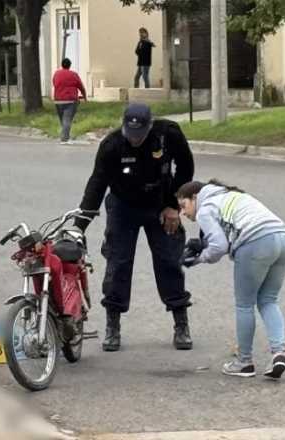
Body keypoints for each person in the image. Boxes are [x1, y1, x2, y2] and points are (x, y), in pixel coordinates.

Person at [73, 102, 194, 352]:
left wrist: (174, 205)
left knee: (169, 261)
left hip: (161, 204)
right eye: (131, 134)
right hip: (123, 206)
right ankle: (112, 325)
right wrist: (78, 227)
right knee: (118, 264)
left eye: (140, 135)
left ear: (150, 127)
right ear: (123, 126)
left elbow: (186, 167)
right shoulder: (112, 145)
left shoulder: (168, 134)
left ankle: (181, 323)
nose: (135, 139)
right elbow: (96, 185)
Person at [177, 180, 285, 380]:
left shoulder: (205, 208)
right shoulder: (233, 195)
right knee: (268, 300)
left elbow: (219, 246)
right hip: (284, 240)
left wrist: (197, 259)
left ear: (195, 197)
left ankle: (244, 362)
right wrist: (204, 244)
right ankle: (279, 353)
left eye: (183, 205)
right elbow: (232, 227)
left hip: (255, 243)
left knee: (244, 305)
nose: (183, 213)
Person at [52, 58, 88, 145]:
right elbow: (80, 86)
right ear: (70, 65)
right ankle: (64, 139)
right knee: (67, 119)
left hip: (58, 100)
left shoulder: (57, 74)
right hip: (70, 100)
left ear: (62, 65)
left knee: (63, 120)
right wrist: (84, 96)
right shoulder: (73, 74)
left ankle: (65, 136)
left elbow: (54, 83)